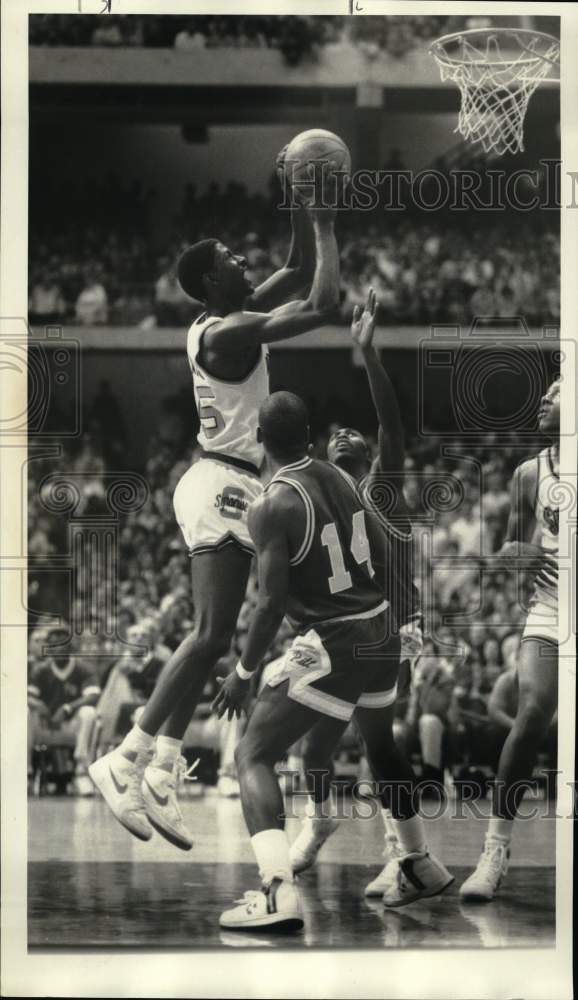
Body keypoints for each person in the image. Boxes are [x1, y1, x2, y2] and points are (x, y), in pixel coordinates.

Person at [89, 151, 340, 850]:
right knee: (208, 635)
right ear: (208, 281)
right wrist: (326, 218)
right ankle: (126, 755)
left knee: (217, 634)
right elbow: (321, 302)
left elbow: (292, 272)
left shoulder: (227, 317)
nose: (239, 261)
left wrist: (294, 190)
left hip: (229, 480)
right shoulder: (228, 332)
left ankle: (163, 769)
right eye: (229, 258)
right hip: (221, 480)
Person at [212, 391, 452, 931]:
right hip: (381, 632)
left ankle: (275, 893)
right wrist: (402, 617)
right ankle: (417, 861)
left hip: (335, 641)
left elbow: (271, 604)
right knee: (380, 744)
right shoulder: (346, 480)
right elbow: (385, 558)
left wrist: (245, 674)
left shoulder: (270, 505)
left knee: (252, 753)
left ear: (256, 437)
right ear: (312, 434)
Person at [285, 289, 429, 899]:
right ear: (322, 453)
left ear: (370, 456)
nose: (346, 433)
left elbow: (391, 422)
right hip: (343, 632)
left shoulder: (379, 491)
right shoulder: (311, 499)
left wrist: (367, 354)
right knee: (313, 744)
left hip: (391, 627)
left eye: (356, 434)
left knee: (377, 744)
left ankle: (406, 855)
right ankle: (323, 820)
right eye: (335, 432)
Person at [460, 377, 560, 901]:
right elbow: (505, 552)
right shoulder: (529, 473)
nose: (544, 398)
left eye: (558, 391)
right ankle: (495, 849)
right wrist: (516, 555)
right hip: (551, 609)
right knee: (532, 711)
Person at [28, 625, 101, 795]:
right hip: (46, 726)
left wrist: (68, 708)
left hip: (71, 726)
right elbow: (27, 695)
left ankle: (81, 773)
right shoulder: (41, 670)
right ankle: (27, 774)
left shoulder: (84, 668)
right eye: (53, 644)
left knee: (89, 713)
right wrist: (37, 704)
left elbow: (93, 696)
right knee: (25, 711)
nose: (58, 648)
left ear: (70, 646)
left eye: (62, 643)